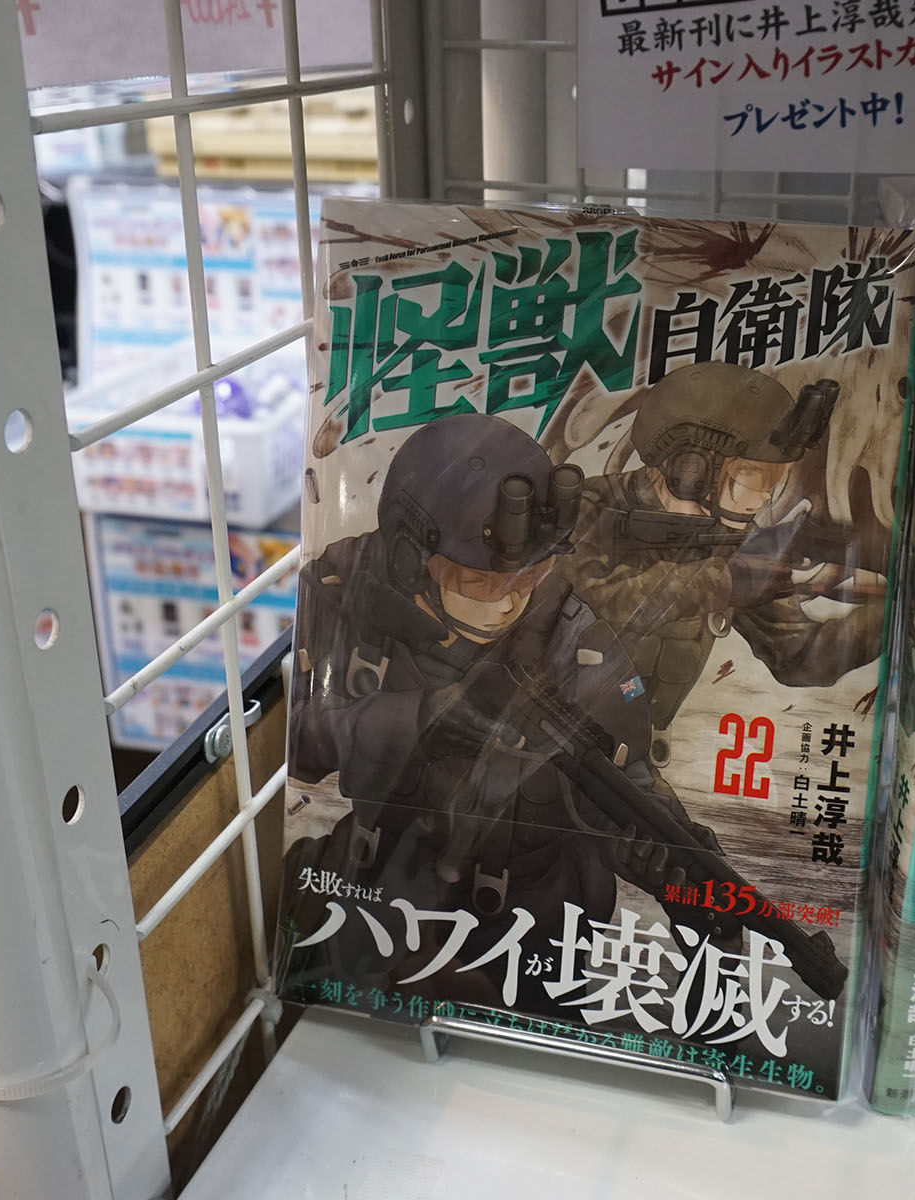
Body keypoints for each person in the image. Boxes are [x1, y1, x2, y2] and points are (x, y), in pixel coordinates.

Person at [279, 413, 730, 1011]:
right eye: (482, 582)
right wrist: (418, 720)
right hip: (376, 883)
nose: (511, 600)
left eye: (532, 574)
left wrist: (681, 882)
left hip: (520, 922)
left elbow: (627, 785)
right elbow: (298, 746)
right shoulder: (344, 587)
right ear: (412, 558)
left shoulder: (574, 642)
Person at [555, 361, 882, 769]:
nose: (761, 501)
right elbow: (592, 602)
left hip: (630, 763)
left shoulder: (733, 542)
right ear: (688, 468)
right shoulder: (585, 509)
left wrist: (893, 618)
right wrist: (724, 582)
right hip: (546, 745)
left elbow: (800, 657)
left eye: (771, 484)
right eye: (750, 480)